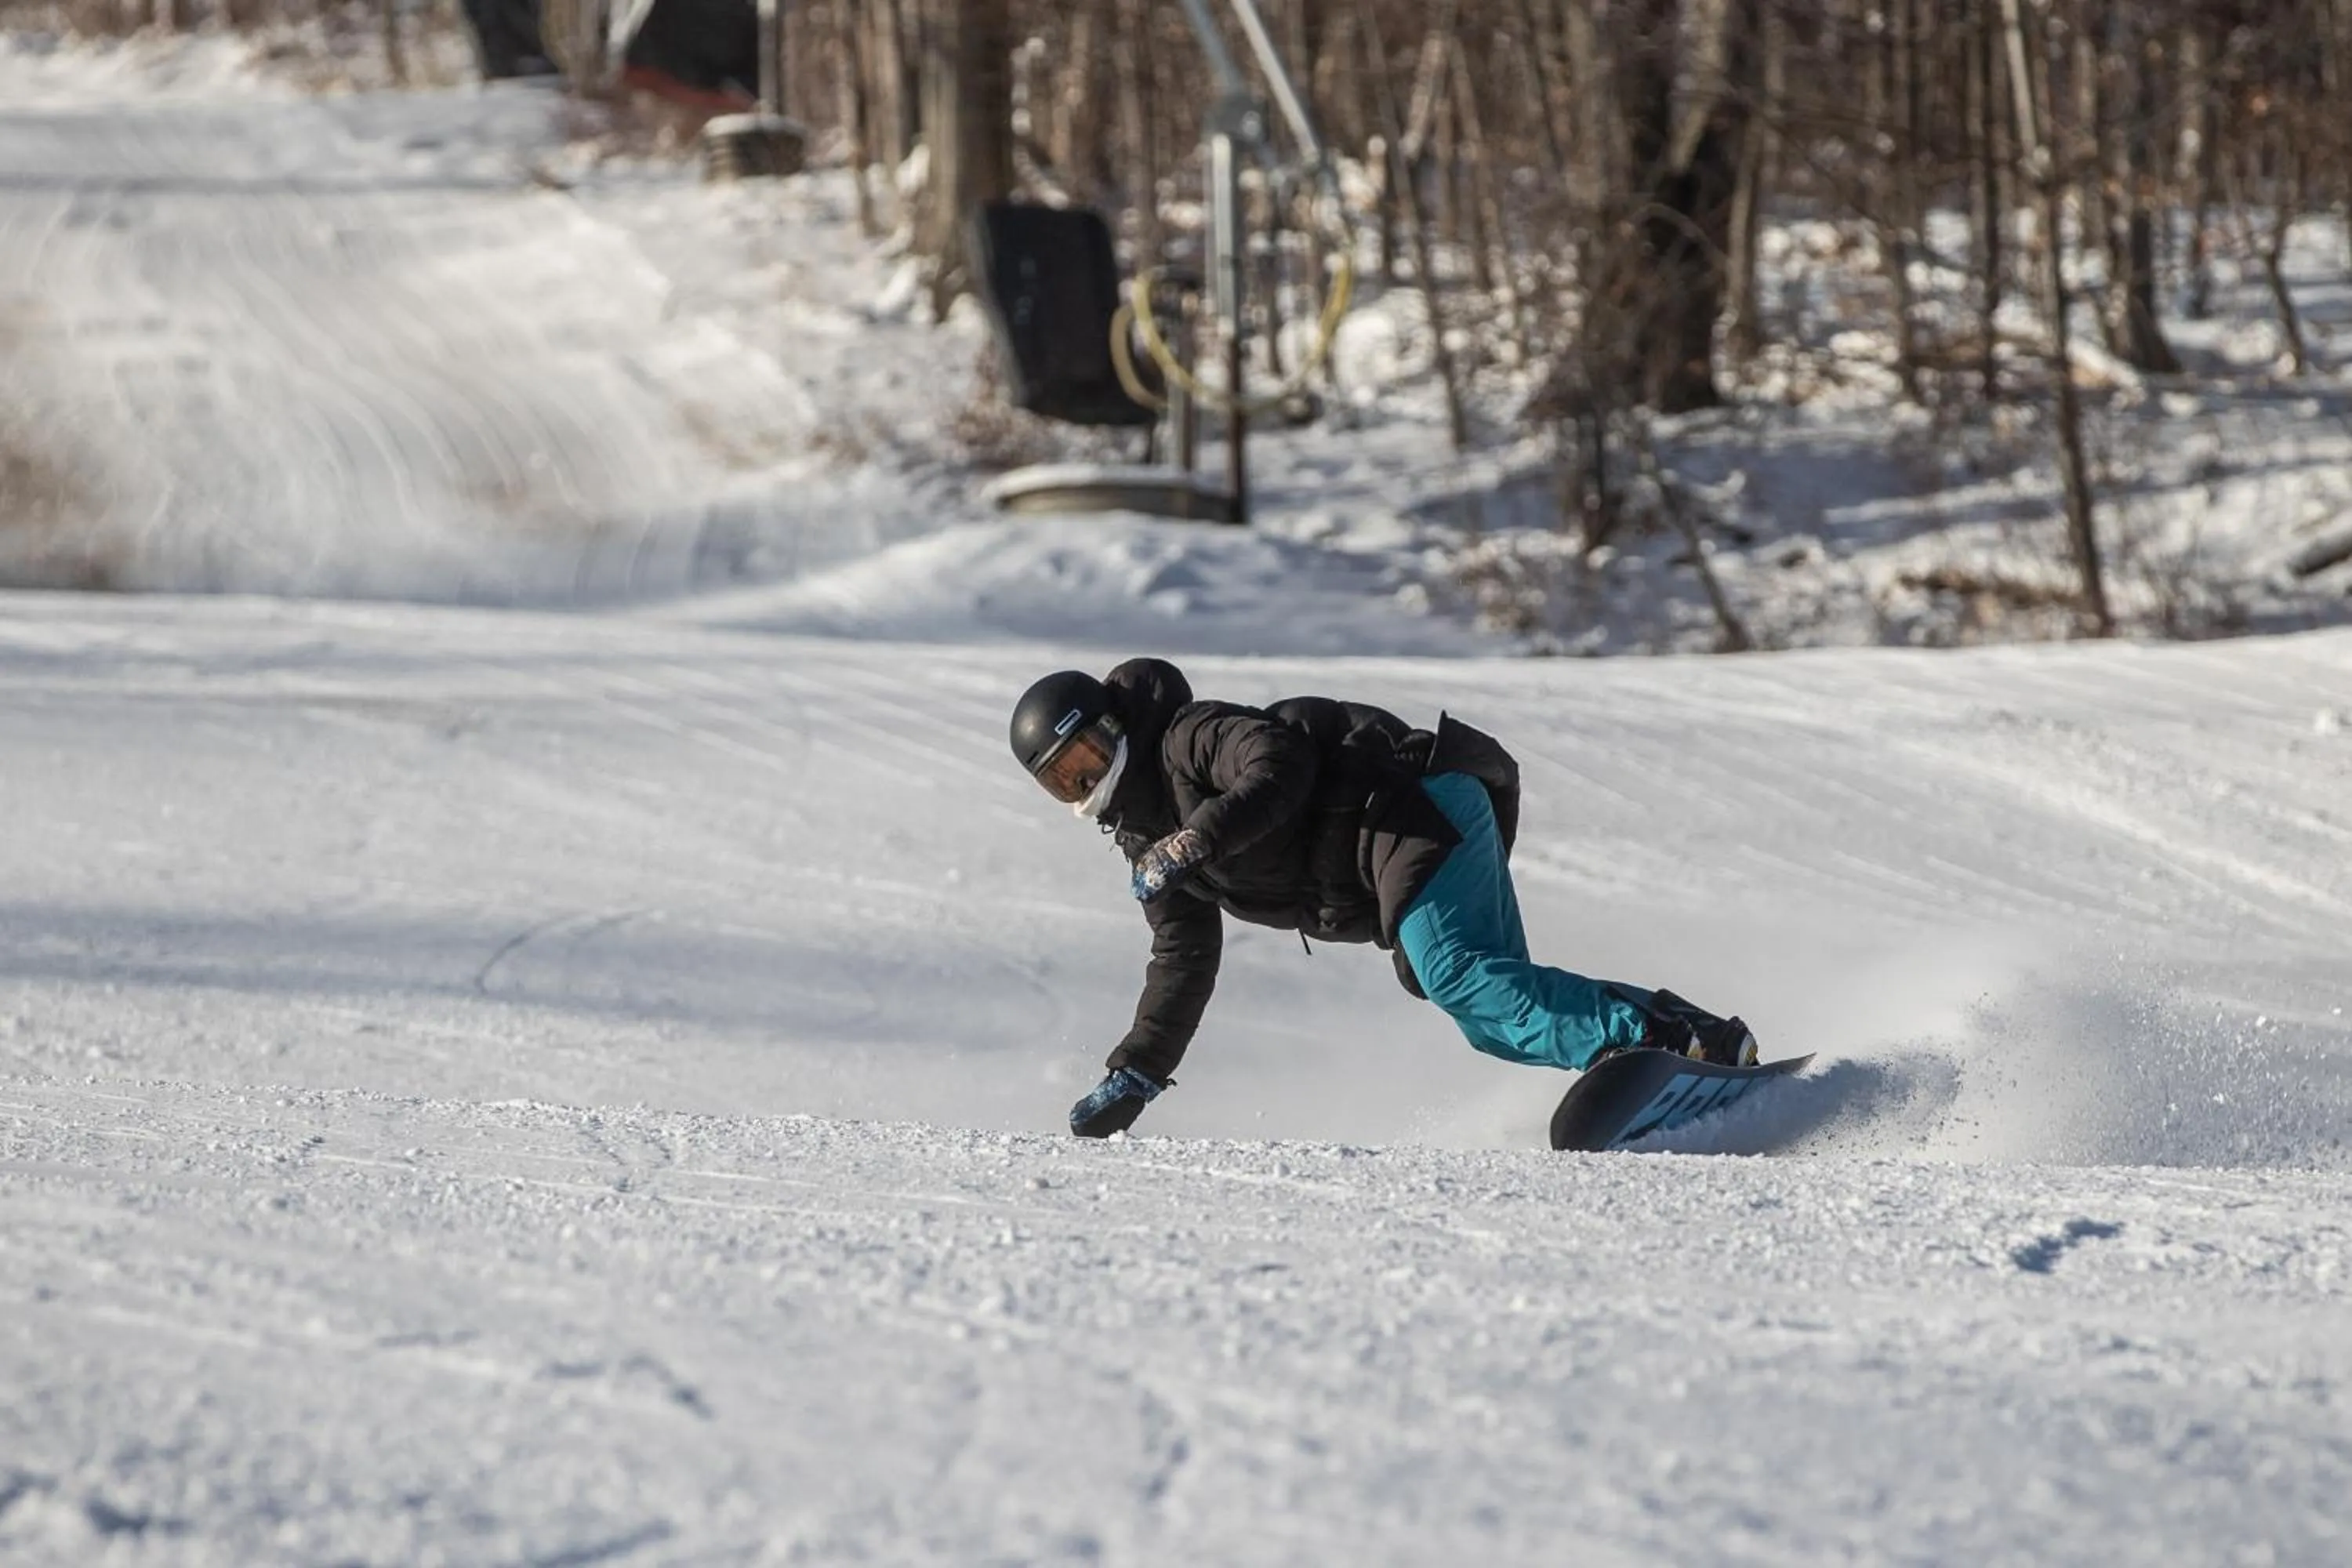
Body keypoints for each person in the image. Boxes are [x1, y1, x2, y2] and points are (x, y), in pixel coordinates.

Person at [1008, 657, 1760, 1138]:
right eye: (1061, 779)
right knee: (1488, 1018)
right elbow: (1183, 956)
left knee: (1460, 976)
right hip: (1405, 841)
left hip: (1416, 801)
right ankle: (1698, 1038)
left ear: (1115, 729)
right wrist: (1137, 1069)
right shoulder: (1149, 843)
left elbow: (1279, 761)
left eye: (1087, 757)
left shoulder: (1188, 736)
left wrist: (1200, 836)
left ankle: (1650, 1038)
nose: (1083, 783)